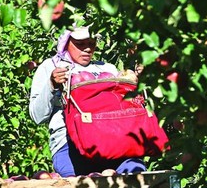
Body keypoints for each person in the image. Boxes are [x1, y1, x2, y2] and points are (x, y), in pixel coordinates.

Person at [29, 25, 147, 177]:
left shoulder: (109, 69)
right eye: (80, 44)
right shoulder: (51, 67)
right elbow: (37, 116)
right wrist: (51, 85)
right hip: (70, 145)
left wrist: (135, 82)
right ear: (66, 42)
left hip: (111, 142)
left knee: (135, 171)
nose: (87, 49)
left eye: (91, 43)